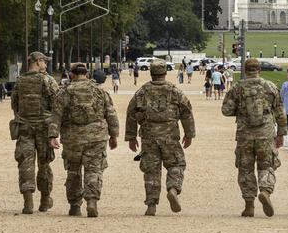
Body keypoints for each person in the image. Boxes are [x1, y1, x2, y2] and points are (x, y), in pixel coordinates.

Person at [125, 59, 195, 216]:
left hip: (149, 137)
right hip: (170, 136)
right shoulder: (174, 91)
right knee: (176, 164)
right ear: (165, 73)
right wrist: (189, 134)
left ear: (151, 73)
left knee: (151, 171)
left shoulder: (142, 92)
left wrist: (131, 136)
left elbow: (131, 114)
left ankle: (151, 204)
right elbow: (186, 112)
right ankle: (173, 189)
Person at [48, 63, 119, 218]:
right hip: (96, 136)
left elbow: (56, 115)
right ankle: (92, 201)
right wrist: (114, 136)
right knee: (94, 169)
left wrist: (53, 136)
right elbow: (111, 114)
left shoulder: (64, 92)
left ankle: (74, 205)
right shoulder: (99, 91)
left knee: (73, 171)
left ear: (72, 75)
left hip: (73, 137)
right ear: (87, 74)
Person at [222, 58, 286, 217]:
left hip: (245, 134)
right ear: (259, 70)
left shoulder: (238, 88)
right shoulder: (270, 87)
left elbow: (226, 110)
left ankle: (249, 205)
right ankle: (265, 190)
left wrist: (240, 110)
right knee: (267, 165)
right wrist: (281, 133)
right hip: (265, 132)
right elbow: (280, 112)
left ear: (245, 70)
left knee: (245, 169)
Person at [10, 52, 59, 214]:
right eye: (44, 62)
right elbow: (56, 105)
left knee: (25, 163)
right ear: (38, 62)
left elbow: (15, 104)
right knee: (44, 164)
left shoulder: (20, 81)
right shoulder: (47, 80)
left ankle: (28, 201)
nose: (46, 65)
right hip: (44, 127)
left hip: (24, 127)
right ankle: (45, 200)